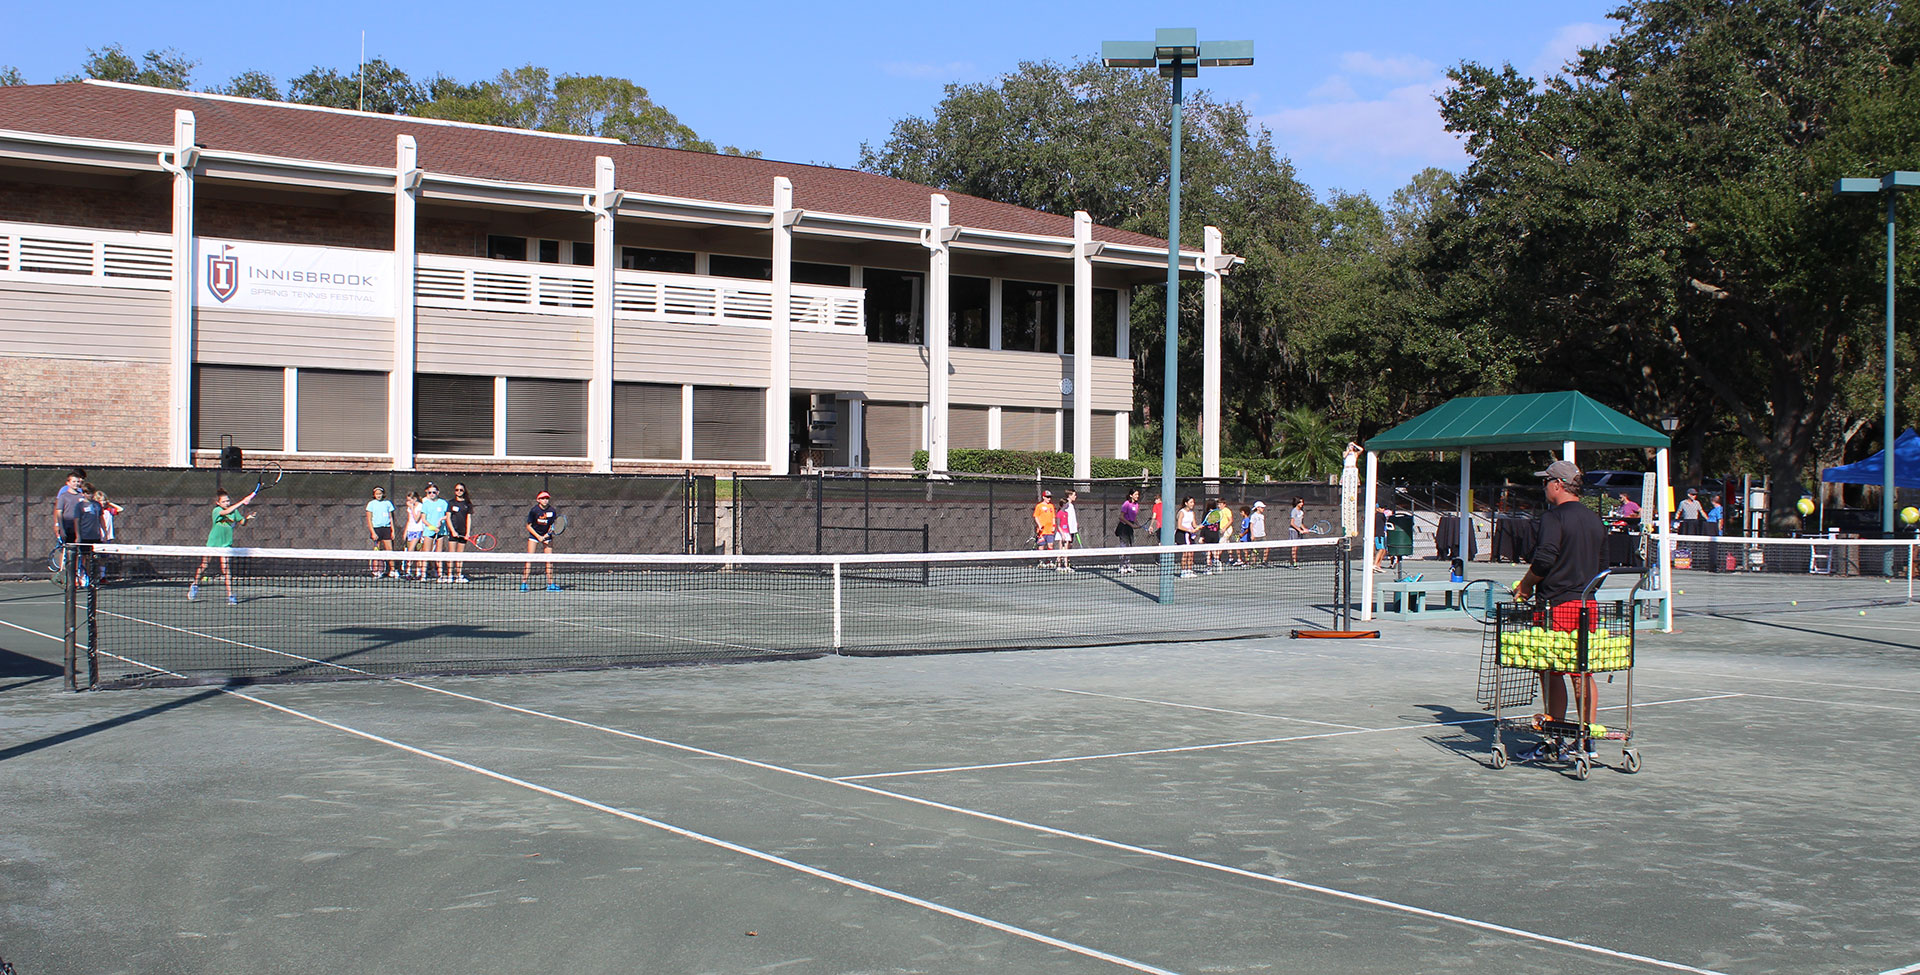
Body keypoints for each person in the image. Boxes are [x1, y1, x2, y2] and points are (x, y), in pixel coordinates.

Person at [1514, 460, 1607, 763]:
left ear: (1557, 484)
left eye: (1546, 482)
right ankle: (1587, 741)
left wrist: (1526, 586)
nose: (1544, 488)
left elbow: (1544, 560)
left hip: (1557, 606)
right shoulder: (1595, 519)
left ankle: (1556, 739)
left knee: (1552, 671)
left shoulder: (1553, 518)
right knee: (1582, 672)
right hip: (1586, 604)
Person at [188, 487, 256, 604]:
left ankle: (231, 595)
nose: (226, 503)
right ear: (218, 503)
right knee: (204, 566)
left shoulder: (234, 511)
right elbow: (226, 512)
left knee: (226, 569)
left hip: (226, 545)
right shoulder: (217, 511)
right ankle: (195, 585)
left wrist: (247, 518)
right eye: (224, 501)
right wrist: (242, 501)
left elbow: (242, 523)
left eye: (228, 501)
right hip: (213, 544)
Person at [521, 490, 561, 591]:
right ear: (538, 500)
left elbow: (553, 525)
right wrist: (538, 537)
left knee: (549, 560)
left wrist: (547, 535)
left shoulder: (552, 511)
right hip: (534, 535)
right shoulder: (534, 511)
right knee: (529, 558)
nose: (545, 500)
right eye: (543, 498)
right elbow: (528, 526)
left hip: (547, 536)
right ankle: (524, 583)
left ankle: (550, 584)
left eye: (547, 498)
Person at [70, 482, 106, 587]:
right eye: (86, 492)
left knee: (95, 558)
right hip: (84, 536)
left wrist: (104, 532)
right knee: (83, 558)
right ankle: (80, 577)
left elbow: (101, 519)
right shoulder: (79, 506)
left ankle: (92, 577)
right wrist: (78, 536)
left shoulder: (97, 505)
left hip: (95, 536)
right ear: (83, 493)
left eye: (90, 493)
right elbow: (76, 521)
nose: (88, 495)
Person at [418, 482, 451, 582]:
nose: (432, 494)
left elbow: (448, 515)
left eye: (434, 492)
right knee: (426, 553)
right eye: (430, 492)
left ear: (438, 492)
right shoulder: (426, 504)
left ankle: (440, 574)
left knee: (439, 553)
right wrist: (433, 528)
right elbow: (423, 519)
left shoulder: (443, 503)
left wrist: (441, 520)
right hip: (429, 531)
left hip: (441, 531)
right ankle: (423, 574)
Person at [444, 482, 475, 583]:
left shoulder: (468, 504)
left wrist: (467, 533)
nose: (459, 492)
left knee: (460, 555)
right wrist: (453, 531)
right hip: (453, 532)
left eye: (461, 490)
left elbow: (468, 519)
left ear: (464, 491)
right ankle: (449, 575)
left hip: (463, 532)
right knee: (451, 554)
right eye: (457, 490)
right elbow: (448, 518)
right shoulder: (451, 503)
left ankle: (458, 575)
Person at [365, 486, 397, 579]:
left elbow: (391, 518)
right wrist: (373, 532)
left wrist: (393, 531)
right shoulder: (371, 504)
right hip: (376, 529)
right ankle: (377, 571)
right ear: (374, 495)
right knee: (376, 551)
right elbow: (369, 519)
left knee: (390, 551)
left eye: (380, 494)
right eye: (377, 494)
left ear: (383, 494)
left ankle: (393, 570)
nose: (378, 495)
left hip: (386, 529)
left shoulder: (388, 503)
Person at [402, 490, 428, 580]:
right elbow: (410, 520)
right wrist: (406, 531)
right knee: (412, 551)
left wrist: (412, 508)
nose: (408, 502)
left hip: (418, 530)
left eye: (410, 500)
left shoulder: (420, 506)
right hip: (410, 530)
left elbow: (416, 519)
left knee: (412, 550)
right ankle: (409, 571)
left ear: (415, 499)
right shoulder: (409, 507)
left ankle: (417, 572)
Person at [1115, 488, 1140, 574]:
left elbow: (1134, 517)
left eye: (1138, 494)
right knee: (1123, 547)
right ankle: (1121, 566)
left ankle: (1128, 566)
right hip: (1123, 527)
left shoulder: (1136, 505)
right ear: (1131, 495)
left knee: (1129, 547)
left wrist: (1137, 524)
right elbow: (1121, 517)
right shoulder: (1126, 504)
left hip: (1130, 527)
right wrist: (1131, 524)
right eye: (1136, 494)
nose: (1137, 496)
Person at [1055, 489, 1079, 572]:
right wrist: (1063, 532)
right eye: (1074, 495)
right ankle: (1059, 565)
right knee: (1063, 548)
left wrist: (1075, 526)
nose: (1075, 496)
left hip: (1070, 531)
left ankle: (1066, 564)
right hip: (1065, 531)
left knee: (1068, 547)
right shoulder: (1067, 505)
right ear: (1069, 495)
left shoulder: (1071, 505)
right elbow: (1063, 520)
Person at [1175, 497, 1201, 578]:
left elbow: (1194, 525)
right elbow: (1179, 526)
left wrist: (1199, 527)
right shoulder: (1181, 512)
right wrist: (1189, 530)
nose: (1193, 504)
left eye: (1193, 502)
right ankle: (1183, 571)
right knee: (1185, 553)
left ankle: (1189, 570)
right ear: (1186, 503)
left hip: (1189, 536)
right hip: (1181, 535)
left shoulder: (1192, 513)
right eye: (1191, 502)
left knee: (1191, 553)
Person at [1032, 490, 1057, 563]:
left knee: (1050, 545)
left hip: (1050, 530)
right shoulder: (1039, 506)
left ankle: (1049, 561)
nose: (1049, 499)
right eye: (1047, 497)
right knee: (1041, 546)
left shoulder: (1051, 506)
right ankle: (1041, 561)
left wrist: (1054, 525)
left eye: (1050, 497)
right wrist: (1039, 525)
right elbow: (1036, 516)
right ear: (1043, 497)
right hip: (1042, 531)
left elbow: (1053, 517)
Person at [1288, 496, 1308, 565]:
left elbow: (1300, 523)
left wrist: (1304, 528)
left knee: (1296, 547)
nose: (1302, 504)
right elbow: (1292, 523)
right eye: (1301, 502)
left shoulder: (1301, 512)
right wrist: (1299, 530)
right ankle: (1294, 562)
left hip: (1298, 531)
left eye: (1302, 502)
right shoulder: (1294, 511)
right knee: (1294, 547)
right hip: (1293, 530)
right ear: (1297, 503)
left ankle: (1292, 561)